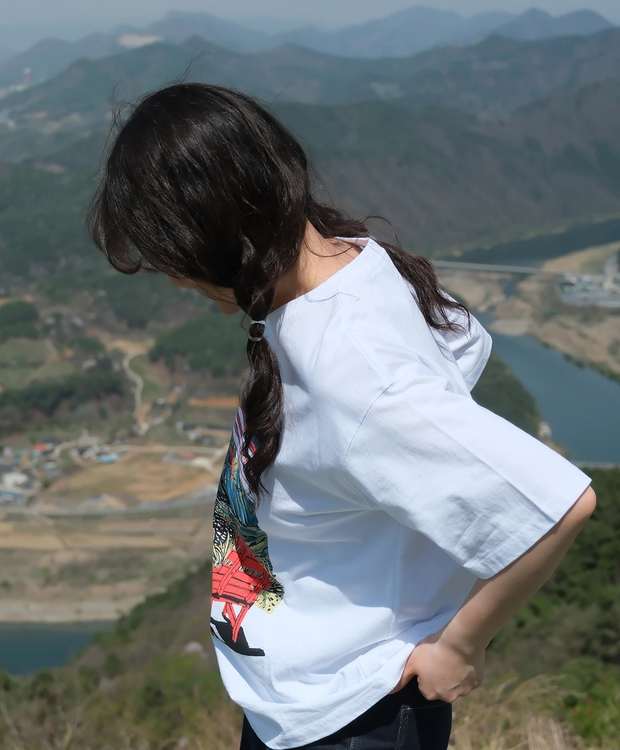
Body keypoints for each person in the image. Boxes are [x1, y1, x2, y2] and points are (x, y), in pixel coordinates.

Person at [87, 82, 596, 750]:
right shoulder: (346, 261)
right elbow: (457, 347)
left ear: (213, 235)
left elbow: (557, 506)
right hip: (312, 701)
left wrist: (460, 646)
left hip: (354, 717)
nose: (177, 280)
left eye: (171, 262)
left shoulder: (352, 373)